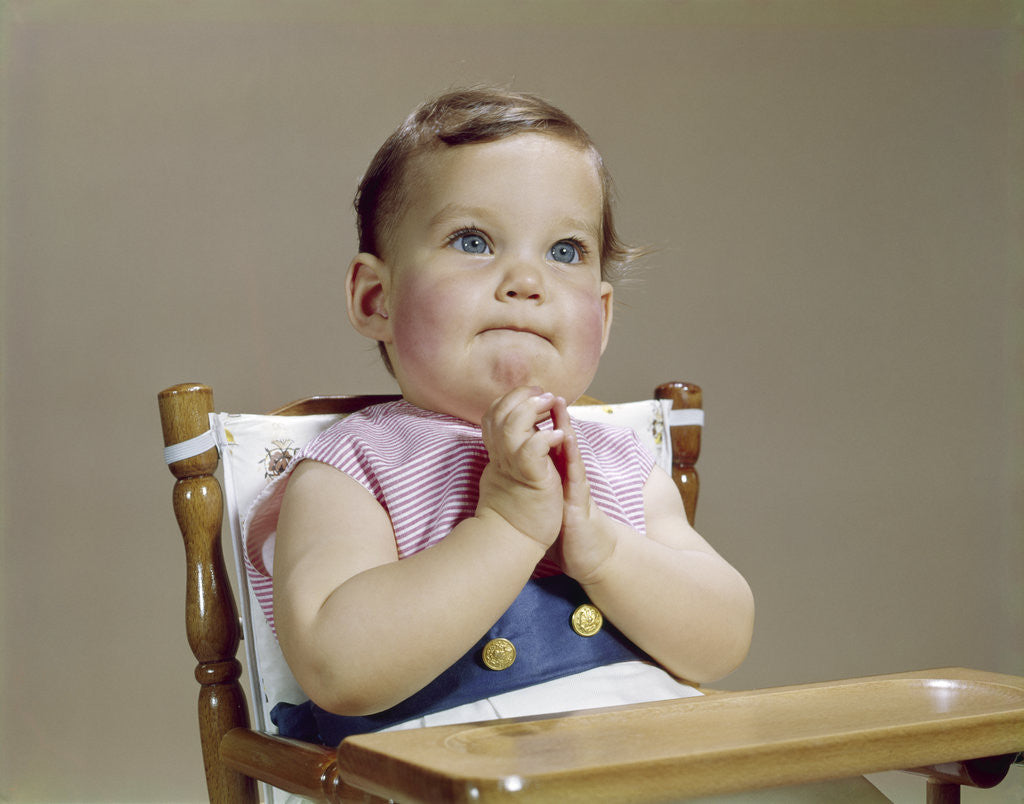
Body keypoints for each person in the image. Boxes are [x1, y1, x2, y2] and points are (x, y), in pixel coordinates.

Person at [243, 86, 756, 745]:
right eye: (473, 240)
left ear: (599, 321)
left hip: (647, 756)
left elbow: (722, 640)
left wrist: (601, 550)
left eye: (564, 251)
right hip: (453, 768)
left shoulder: (615, 462)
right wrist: (508, 526)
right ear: (377, 299)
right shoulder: (354, 466)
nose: (525, 279)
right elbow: (339, 668)